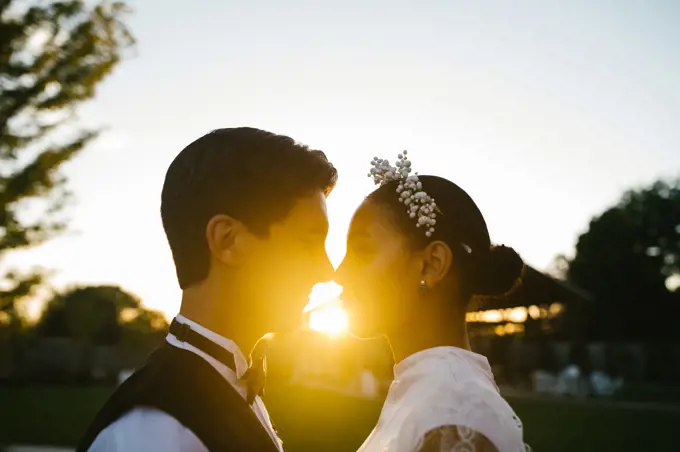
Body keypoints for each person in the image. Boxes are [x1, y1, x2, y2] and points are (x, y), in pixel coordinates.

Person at [77, 127, 337, 452]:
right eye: (308, 242)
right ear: (227, 241)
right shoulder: (159, 434)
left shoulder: (225, 383)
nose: (328, 271)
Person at [337, 152, 529, 452]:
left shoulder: (454, 411)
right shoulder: (431, 390)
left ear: (431, 264)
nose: (339, 272)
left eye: (361, 251)